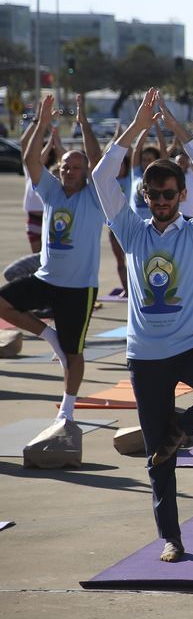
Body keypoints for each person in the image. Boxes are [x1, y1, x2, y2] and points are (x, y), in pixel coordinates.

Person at [91, 88, 193, 563]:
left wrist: (176, 127)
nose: (159, 200)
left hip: (191, 346)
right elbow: (101, 177)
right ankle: (171, 537)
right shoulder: (131, 232)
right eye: (152, 194)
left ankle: (180, 429)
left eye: (168, 194)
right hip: (145, 357)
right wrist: (133, 128)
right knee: (160, 462)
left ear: (181, 195)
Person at [0, 94, 103, 422]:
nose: (69, 171)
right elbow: (30, 160)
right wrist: (41, 122)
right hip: (46, 279)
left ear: (85, 173)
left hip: (79, 289)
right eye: (65, 167)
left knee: (74, 354)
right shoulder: (51, 191)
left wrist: (84, 124)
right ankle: (49, 335)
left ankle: (67, 412)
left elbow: (100, 161)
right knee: (2, 303)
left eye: (75, 167)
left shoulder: (94, 197)